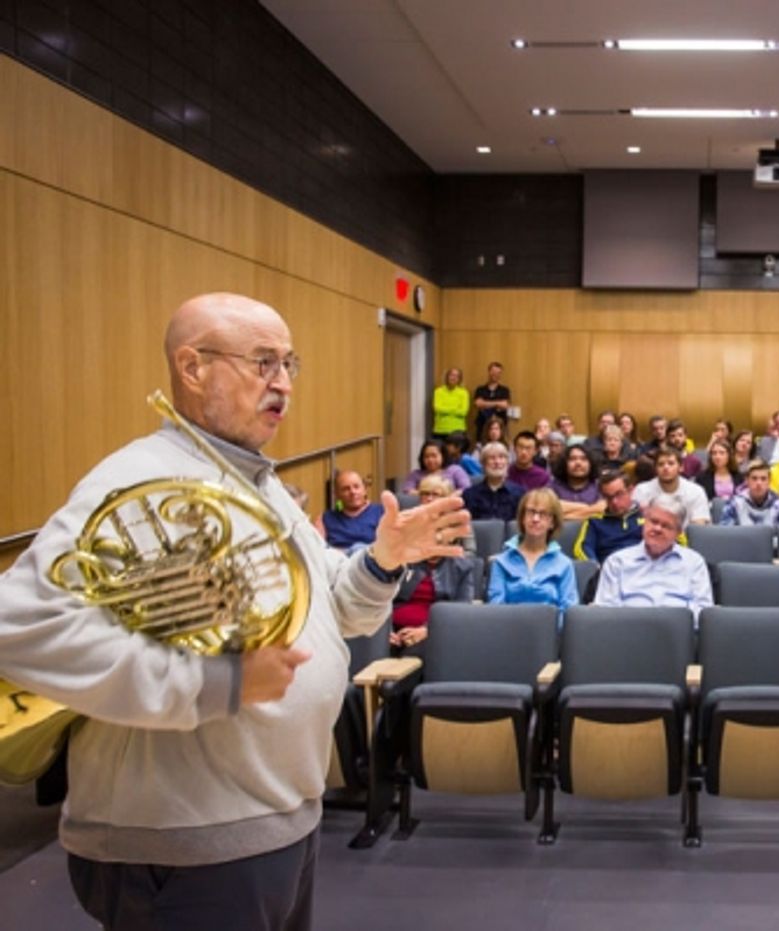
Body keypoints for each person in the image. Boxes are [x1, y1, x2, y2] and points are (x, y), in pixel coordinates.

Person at [0, 292, 467, 931]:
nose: (283, 385)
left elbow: (331, 610)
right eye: (263, 363)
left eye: (289, 365)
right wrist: (215, 682)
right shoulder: (138, 478)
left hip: (274, 821)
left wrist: (382, 561)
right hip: (188, 845)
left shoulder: (253, 479)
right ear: (191, 368)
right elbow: (19, 627)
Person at [594, 495, 714, 626]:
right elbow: (605, 614)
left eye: (666, 526)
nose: (657, 529)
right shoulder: (617, 562)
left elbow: (703, 614)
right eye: (653, 521)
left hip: (677, 637)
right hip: (628, 635)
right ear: (644, 521)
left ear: (679, 533)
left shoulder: (694, 563)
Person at [389, 475, 478, 651]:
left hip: (432, 633)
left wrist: (427, 630)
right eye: (425, 493)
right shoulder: (405, 558)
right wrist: (385, 631)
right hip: (393, 632)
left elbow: (461, 610)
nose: (429, 499)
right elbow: (383, 600)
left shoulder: (461, 566)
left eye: (439, 534)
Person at [487, 488, 578, 626]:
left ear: (552, 522)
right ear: (522, 518)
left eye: (542, 514)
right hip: (507, 634)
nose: (535, 519)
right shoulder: (501, 562)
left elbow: (568, 611)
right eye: (531, 512)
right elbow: (496, 608)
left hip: (551, 637)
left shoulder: (564, 564)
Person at [573, 470, 644, 565]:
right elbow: (582, 548)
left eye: (619, 494)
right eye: (608, 497)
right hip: (609, 572)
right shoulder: (594, 522)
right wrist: (596, 567)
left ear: (630, 490)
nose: (614, 502)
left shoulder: (647, 517)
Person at [632, 448, 710, 525]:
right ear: (655, 469)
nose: (666, 467)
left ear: (681, 467)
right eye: (661, 464)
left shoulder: (696, 492)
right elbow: (635, 523)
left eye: (671, 463)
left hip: (685, 537)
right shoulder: (641, 490)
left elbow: (699, 526)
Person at [317, 469, 385, 551]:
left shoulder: (381, 512)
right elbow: (318, 550)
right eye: (346, 489)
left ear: (364, 490)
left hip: (369, 559)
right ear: (337, 495)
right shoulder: (325, 518)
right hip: (339, 560)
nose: (352, 492)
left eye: (356, 487)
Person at [461, 441, 524, 522]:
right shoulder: (469, 495)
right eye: (492, 458)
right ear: (483, 464)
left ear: (507, 463)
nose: (497, 462)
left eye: (501, 457)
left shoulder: (520, 494)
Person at [720, 460, 779, 527]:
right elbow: (725, 536)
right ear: (747, 480)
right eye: (754, 478)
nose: (759, 483)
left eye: (763, 479)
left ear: (769, 481)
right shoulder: (734, 503)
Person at [549, 444, 604, 519]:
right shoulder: (553, 485)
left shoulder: (600, 486)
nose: (578, 463)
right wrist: (587, 507)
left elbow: (603, 508)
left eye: (584, 459)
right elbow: (548, 507)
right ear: (564, 463)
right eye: (572, 459)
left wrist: (564, 516)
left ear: (591, 463)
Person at [402, 438, 471, 494]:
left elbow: (466, 488)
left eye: (434, 456)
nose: (430, 460)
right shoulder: (415, 474)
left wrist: (447, 495)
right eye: (426, 456)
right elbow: (407, 491)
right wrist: (429, 494)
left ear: (443, 456)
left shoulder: (455, 470)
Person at [472, 361, 510, 441]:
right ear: (489, 372)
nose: (495, 374)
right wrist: (497, 403)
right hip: (482, 426)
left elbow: (504, 405)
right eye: (493, 371)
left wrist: (485, 404)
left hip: (500, 427)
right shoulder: (480, 389)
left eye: (498, 372)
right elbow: (478, 404)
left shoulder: (504, 390)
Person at [432, 366, 469, 439]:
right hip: (440, 430)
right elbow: (437, 408)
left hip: (458, 430)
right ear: (447, 377)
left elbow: (463, 412)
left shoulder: (464, 393)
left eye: (457, 376)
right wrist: (455, 409)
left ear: (459, 379)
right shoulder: (438, 391)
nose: (454, 378)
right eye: (451, 375)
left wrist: (446, 410)